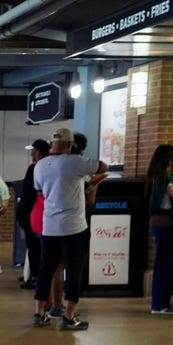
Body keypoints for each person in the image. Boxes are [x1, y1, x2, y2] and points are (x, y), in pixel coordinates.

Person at [31, 128, 108, 330]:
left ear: (51, 144)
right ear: (70, 145)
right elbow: (103, 166)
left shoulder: (39, 166)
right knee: (74, 271)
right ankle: (69, 315)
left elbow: (40, 191)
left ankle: (39, 312)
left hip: (49, 226)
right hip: (74, 227)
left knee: (45, 269)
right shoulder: (74, 162)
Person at [145, 144, 173, 315]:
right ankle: (161, 304)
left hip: (157, 223)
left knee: (161, 262)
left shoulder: (154, 176)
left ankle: (159, 302)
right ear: (169, 159)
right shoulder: (167, 178)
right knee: (166, 264)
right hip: (167, 223)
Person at [17, 139, 50, 289]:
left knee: (34, 246)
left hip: (33, 214)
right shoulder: (48, 167)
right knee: (36, 246)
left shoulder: (35, 168)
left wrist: (22, 214)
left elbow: (28, 194)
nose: (31, 154)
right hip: (40, 214)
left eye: (33, 151)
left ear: (39, 152)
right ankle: (33, 274)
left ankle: (36, 276)